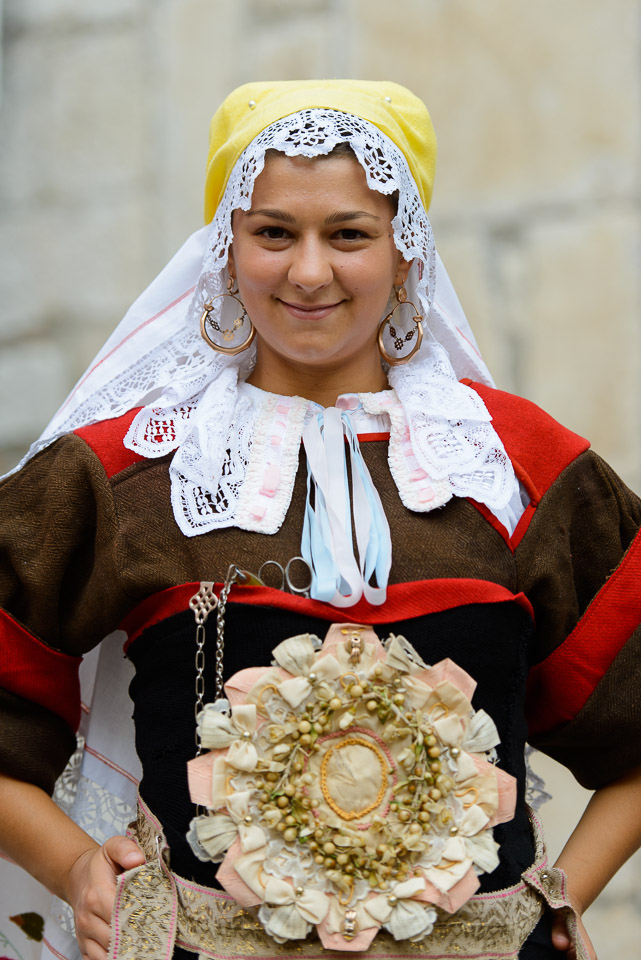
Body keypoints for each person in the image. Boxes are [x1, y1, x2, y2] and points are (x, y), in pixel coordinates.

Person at [0, 79, 640, 960]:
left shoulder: (514, 468)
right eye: (273, 233)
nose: (308, 271)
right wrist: (74, 868)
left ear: (406, 253)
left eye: (348, 234)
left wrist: (557, 900)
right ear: (226, 249)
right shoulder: (130, 475)